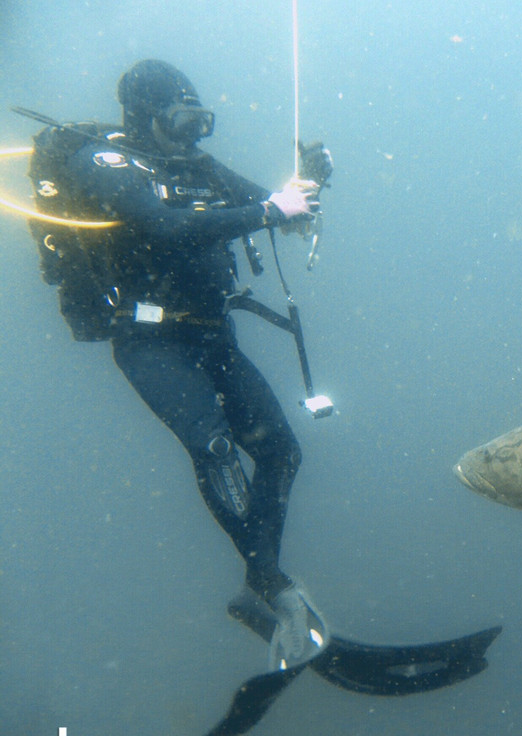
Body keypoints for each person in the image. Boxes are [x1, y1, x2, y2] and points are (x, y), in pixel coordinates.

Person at [64, 59, 331, 669]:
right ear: (144, 117)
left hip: (216, 336)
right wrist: (271, 212)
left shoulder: (196, 166)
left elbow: (268, 206)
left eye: (200, 121)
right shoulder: (105, 164)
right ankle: (278, 590)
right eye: (180, 121)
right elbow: (164, 229)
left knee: (282, 452)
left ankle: (261, 584)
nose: (192, 136)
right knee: (213, 448)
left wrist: (306, 188)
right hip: (151, 342)